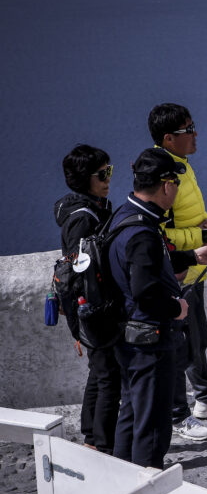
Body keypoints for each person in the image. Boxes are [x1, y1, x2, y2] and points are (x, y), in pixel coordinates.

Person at [107, 148, 207, 468]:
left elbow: (148, 265)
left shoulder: (126, 215)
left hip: (128, 339)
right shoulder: (143, 232)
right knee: (153, 428)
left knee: (131, 417)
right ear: (167, 184)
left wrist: (191, 257)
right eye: (176, 184)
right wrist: (176, 309)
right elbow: (145, 292)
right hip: (149, 341)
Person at [149, 103, 207, 437]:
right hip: (176, 272)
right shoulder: (162, 173)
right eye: (189, 129)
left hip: (193, 269)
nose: (196, 134)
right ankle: (177, 415)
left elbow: (188, 215)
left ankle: (206, 396)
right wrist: (203, 237)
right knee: (177, 345)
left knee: (197, 338)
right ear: (169, 138)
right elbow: (157, 232)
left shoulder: (182, 165)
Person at [53, 145, 120, 453]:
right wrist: (86, 319)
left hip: (89, 307)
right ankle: (101, 445)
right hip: (93, 307)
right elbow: (80, 269)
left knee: (100, 371)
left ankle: (90, 437)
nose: (109, 178)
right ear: (85, 178)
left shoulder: (91, 206)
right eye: (102, 174)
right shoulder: (83, 217)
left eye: (109, 171)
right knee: (109, 377)